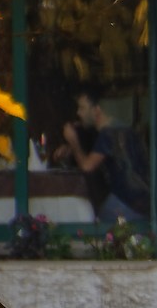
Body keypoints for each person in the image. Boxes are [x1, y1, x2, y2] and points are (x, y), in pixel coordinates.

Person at [52, 91, 150, 225]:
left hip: (126, 202)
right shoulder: (123, 129)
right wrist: (71, 149)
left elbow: (87, 167)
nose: (78, 113)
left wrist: (73, 142)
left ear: (96, 110)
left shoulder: (108, 133)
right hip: (144, 201)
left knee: (87, 222)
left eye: (82, 108)